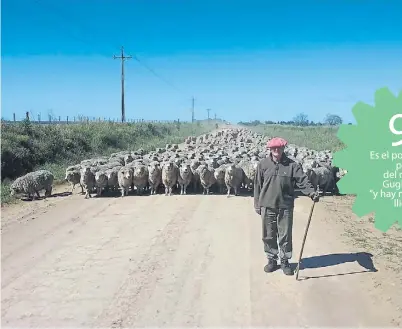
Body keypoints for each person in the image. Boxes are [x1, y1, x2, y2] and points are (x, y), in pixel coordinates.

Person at [253, 137, 319, 276]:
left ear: (283, 148)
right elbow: (257, 186)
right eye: (273, 148)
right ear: (270, 149)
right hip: (267, 205)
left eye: (279, 148)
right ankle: (271, 259)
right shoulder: (263, 165)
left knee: (285, 235)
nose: (276, 150)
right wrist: (257, 204)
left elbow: (303, 181)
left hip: (285, 206)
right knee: (268, 235)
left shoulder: (292, 166)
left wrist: (311, 193)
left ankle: (285, 260)